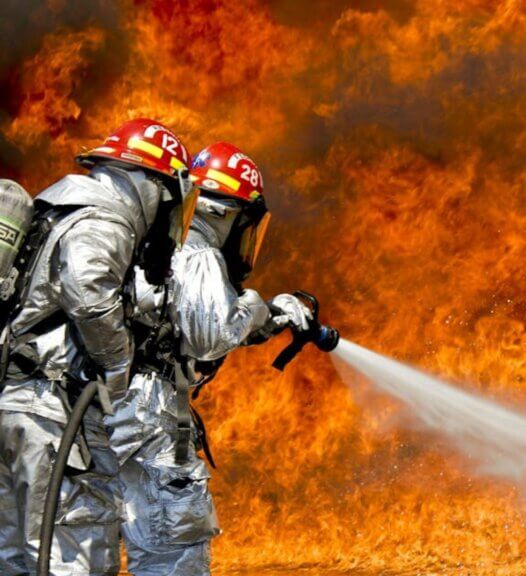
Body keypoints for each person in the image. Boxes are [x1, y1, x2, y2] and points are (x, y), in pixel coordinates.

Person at [0, 118, 198, 575]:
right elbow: (88, 290)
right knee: (75, 551)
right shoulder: (105, 218)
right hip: (48, 413)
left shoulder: (59, 207)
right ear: (150, 185)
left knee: (16, 558)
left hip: (14, 404)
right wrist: (117, 366)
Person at [107, 141, 311, 575]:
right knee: (171, 548)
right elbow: (212, 335)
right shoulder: (198, 250)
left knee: (90, 544)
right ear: (232, 213)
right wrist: (259, 304)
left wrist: (271, 318)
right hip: (148, 413)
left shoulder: (152, 241)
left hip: (105, 405)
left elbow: (182, 320)